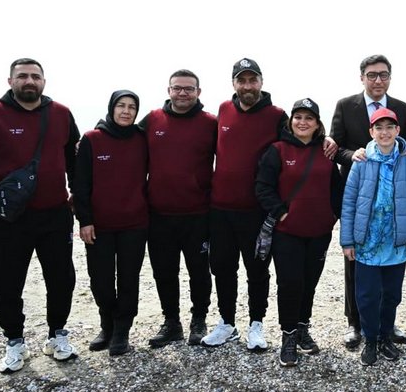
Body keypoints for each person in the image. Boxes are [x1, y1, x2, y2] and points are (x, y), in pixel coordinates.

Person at [0, 58, 80, 373]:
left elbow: (74, 160)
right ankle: (14, 340)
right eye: (22, 76)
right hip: (7, 217)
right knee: (7, 283)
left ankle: (57, 334)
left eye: (36, 76)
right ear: (10, 81)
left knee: (62, 279)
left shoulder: (61, 113)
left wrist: (77, 193)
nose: (29, 81)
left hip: (54, 214)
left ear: (44, 81)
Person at [203, 58, 288, 351]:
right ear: (234, 84)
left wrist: (326, 142)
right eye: (242, 80)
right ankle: (227, 323)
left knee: (257, 269)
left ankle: (256, 324)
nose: (247, 86)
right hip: (221, 208)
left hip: (256, 210)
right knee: (222, 267)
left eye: (253, 80)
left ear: (261, 82)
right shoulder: (224, 110)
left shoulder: (277, 115)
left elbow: (295, 146)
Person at [330, 54, 406, 349]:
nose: (378, 80)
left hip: (392, 200)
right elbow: (335, 147)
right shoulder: (345, 105)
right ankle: (355, 323)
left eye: (383, 74)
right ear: (362, 77)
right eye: (372, 75)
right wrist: (352, 155)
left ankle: (386, 322)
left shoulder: (402, 108)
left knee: (390, 262)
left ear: (390, 77)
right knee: (355, 259)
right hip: (358, 195)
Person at [255, 98, 343, 367]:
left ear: (317, 124)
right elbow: (263, 187)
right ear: (290, 121)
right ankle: (289, 335)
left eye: (309, 118)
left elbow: (337, 189)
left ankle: (303, 328)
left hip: (319, 232)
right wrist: (282, 213)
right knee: (290, 283)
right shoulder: (277, 150)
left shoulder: (326, 152)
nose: (302, 122)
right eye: (298, 117)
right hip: (287, 231)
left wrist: (332, 215)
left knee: (309, 282)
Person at [340, 107, 406, 367]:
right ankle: (370, 339)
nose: (384, 132)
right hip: (367, 242)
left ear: (398, 130)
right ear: (371, 132)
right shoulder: (361, 162)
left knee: (391, 294)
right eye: (379, 127)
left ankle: (386, 336)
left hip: (395, 243)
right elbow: (349, 203)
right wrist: (347, 241)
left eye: (390, 127)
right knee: (366, 295)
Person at [139, 69, 217, 348]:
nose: (183, 93)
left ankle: (199, 320)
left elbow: (235, 154)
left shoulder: (210, 123)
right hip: (159, 214)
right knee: (164, 272)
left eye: (189, 88)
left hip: (198, 214)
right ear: (168, 90)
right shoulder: (152, 120)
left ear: (198, 92)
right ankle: (171, 322)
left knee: (199, 271)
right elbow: (122, 136)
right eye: (177, 88)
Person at [73, 90, 148, 356]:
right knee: (101, 280)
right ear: (111, 108)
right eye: (121, 106)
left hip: (135, 224)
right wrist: (85, 220)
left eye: (132, 107)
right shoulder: (92, 139)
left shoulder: (142, 138)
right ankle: (107, 324)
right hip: (99, 226)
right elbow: (80, 183)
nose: (126, 111)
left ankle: (121, 331)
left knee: (128, 279)